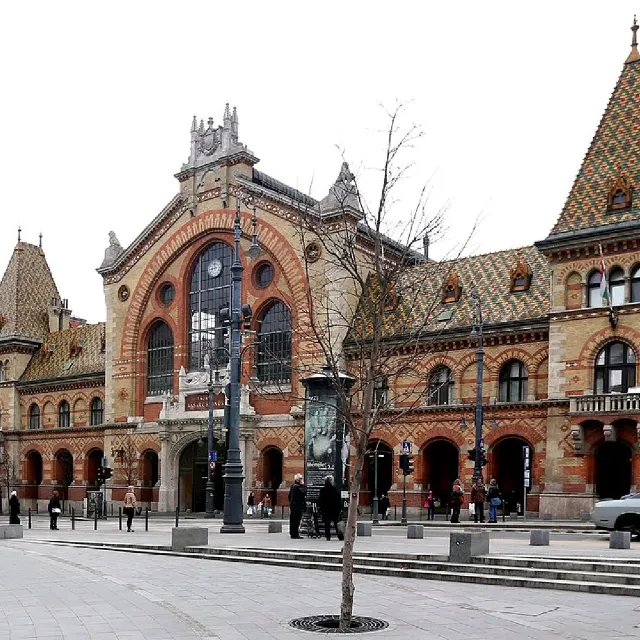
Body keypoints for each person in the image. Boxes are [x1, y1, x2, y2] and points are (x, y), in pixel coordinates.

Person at [319, 476, 342, 540]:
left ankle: (328, 536)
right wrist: (339, 509)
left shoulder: (322, 490)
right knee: (336, 523)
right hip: (334, 510)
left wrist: (321, 509)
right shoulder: (334, 489)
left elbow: (320, 501)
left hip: (326, 510)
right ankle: (339, 536)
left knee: (327, 524)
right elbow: (338, 500)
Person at [288, 474, 306, 539]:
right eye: (301, 478)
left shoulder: (293, 486)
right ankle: (295, 534)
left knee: (293, 520)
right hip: (297, 506)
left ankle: (293, 533)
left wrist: (291, 503)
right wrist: (303, 484)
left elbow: (289, 496)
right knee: (296, 521)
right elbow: (304, 492)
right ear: (298, 480)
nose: (302, 480)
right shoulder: (298, 487)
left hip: (293, 506)